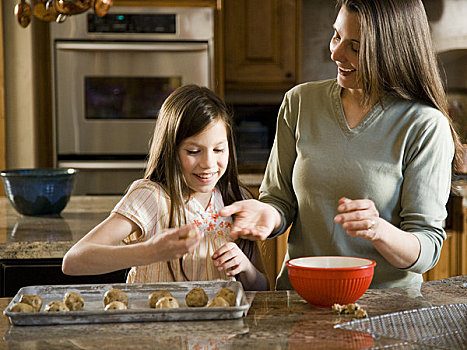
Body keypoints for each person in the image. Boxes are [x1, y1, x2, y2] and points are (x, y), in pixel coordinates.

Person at [220, 0, 462, 290]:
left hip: (383, 311)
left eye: (355, 47)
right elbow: (279, 200)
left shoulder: (424, 124)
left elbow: (427, 248)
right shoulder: (299, 102)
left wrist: (378, 230)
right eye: (336, 36)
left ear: (392, 53)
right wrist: (267, 215)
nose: (335, 53)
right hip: (300, 300)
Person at [62, 85, 269, 291]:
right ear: (171, 150)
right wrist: (149, 252)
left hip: (218, 324)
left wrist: (246, 269)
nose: (209, 163)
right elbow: (73, 261)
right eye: (194, 151)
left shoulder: (235, 198)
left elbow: (263, 288)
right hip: (153, 323)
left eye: (218, 149)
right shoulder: (152, 198)